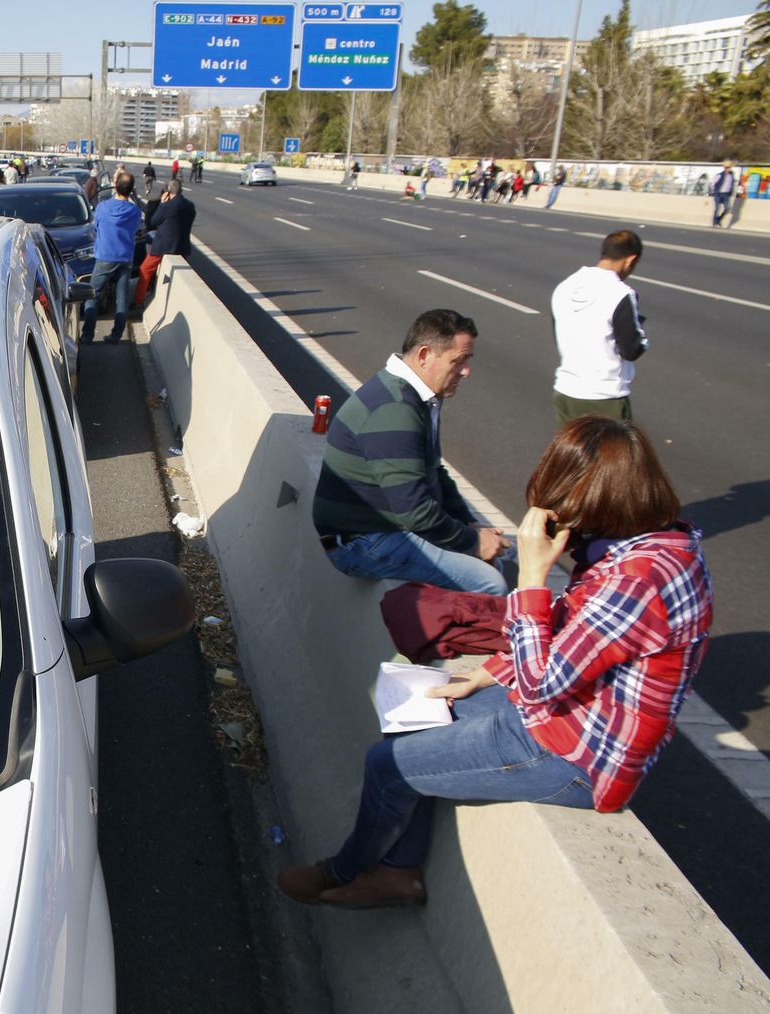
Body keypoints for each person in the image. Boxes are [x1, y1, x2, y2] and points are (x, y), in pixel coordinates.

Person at [280, 417, 711, 908]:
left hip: (578, 754)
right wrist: (482, 676)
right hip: (563, 712)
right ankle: (399, 871)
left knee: (387, 766)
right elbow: (571, 633)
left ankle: (342, 870)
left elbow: (541, 682)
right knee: (414, 714)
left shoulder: (636, 581)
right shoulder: (652, 547)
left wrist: (532, 578)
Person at [313, 309, 511, 596]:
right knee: (490, 583)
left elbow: (434, 471)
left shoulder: (417, 396)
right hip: (361, 542)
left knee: (501, 559)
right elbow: (414, 511)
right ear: (424, 355)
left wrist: (468, 522)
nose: (466, 371)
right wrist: (472, 542)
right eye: (458, 360)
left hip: (383, 529)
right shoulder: (393, 408)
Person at [549, 230, 646, 427]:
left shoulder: (566, 285)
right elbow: (631, 349)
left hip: (566, 391)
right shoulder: (621, 293)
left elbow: (559, 332)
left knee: (572, 448)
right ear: (630, 260)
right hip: (605, 396)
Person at [82, 171, 144, 345]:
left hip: (104, 256)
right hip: (125, 257)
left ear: (115, 186)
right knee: (121, 297)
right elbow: (137, 228)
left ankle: (87, 335)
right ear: (131, 189)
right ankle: (116, 335)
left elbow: (96, 227)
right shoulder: (135, 211)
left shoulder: (103, 207)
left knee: (93, 295)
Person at [134, 178, 197, 308]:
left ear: (168, 191)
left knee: (145, 270)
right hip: (182, 245)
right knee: (180, 276)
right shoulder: (190, 205)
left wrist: (162, 203)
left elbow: (154, 221)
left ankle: (138, 301)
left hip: (162, 245)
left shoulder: (167, 206)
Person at [711, 160, 737, 227]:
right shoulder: (720, 175)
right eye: (728, 167)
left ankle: (718, 220)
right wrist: (714, 191)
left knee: (727, 208)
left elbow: (732, 184)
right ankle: (714, 223)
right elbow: (713, 183)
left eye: (730, 167)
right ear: (725, 168)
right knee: (717, 209)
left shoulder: (732, 175)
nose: (730, 169)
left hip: (726, 194)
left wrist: (732, 191)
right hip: (718, 194)